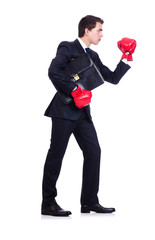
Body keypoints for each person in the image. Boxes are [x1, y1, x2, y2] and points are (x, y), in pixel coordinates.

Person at [42, 15, 136, 217]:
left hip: (82, 113)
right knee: (56, 155)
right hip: (64, 110)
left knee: (94, 152)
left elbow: (112, 78)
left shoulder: (93, 56)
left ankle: (89, 202)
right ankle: (48, 203)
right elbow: (53, 71)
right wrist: (74, 89)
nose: (102, 34)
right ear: (87, 30)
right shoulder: (67, 47)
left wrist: (126, 56)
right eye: (99, 30)